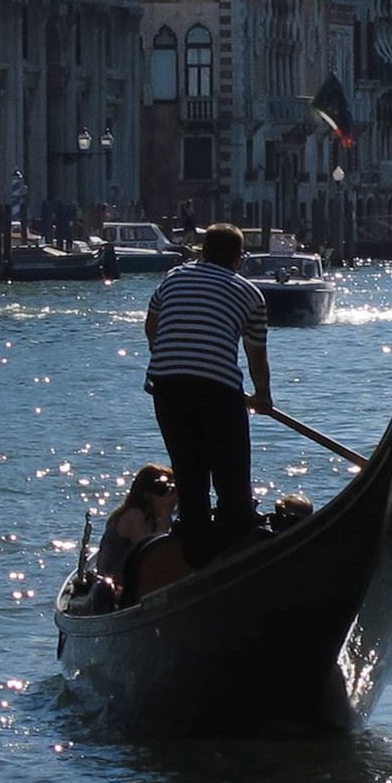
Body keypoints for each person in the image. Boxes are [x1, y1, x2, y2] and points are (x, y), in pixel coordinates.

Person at [143, 222, 272, 566]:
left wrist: (167, 356)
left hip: (166, 385)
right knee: (231, 479)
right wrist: (263, 396)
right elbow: (256, 352)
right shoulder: (249, 294)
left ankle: (197, 556)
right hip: (217, 389)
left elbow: (152, 324)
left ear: (201, 251)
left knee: (190, 474)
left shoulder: (173, 278)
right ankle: (233, 553)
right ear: (239, 259)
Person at [94, 463, 176, 582]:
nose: (169, 497)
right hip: (117, 585)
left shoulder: (154, 517)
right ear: (147, 495)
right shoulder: (134, 516)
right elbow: (153, 555)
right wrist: (166, 512)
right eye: (163, 492)